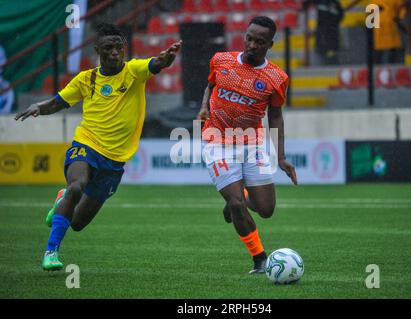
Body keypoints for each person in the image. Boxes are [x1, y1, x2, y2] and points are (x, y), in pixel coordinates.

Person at [14, 23, 182, 271]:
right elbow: (59, 101)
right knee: (76, 186)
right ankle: (51, 251)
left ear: (124, 50)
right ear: (97, 51)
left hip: (114, 160)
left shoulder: (134, 71)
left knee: (78, 222)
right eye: (108, 48)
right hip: (87, 143)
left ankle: (62, 200)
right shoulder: (87, 79)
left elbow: (155, 64)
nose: (114, 52)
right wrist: (40, 107)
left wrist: (166, 58)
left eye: (118, 47)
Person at [196, 16, 298, 274]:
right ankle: (260, 259)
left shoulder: (277, 78)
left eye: (259, 42)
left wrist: (281, 157)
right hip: (216, 139)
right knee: (237, 206)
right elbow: (210, 85)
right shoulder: (221, 60)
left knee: (266, 209)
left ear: (270, 45)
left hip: (252, 144)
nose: (252, 45)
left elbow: (275, 116)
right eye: (249, 38)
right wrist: (203, 107)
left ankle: (237, 195)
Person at [372, 0, 407, 64]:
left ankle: (393, 66)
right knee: (378, 49)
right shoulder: (374, 1)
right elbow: (370, 11)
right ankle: (376, 68)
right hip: (378, 28)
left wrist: (400, 17)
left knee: (392, 48)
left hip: (390, 27)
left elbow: (402, 7)